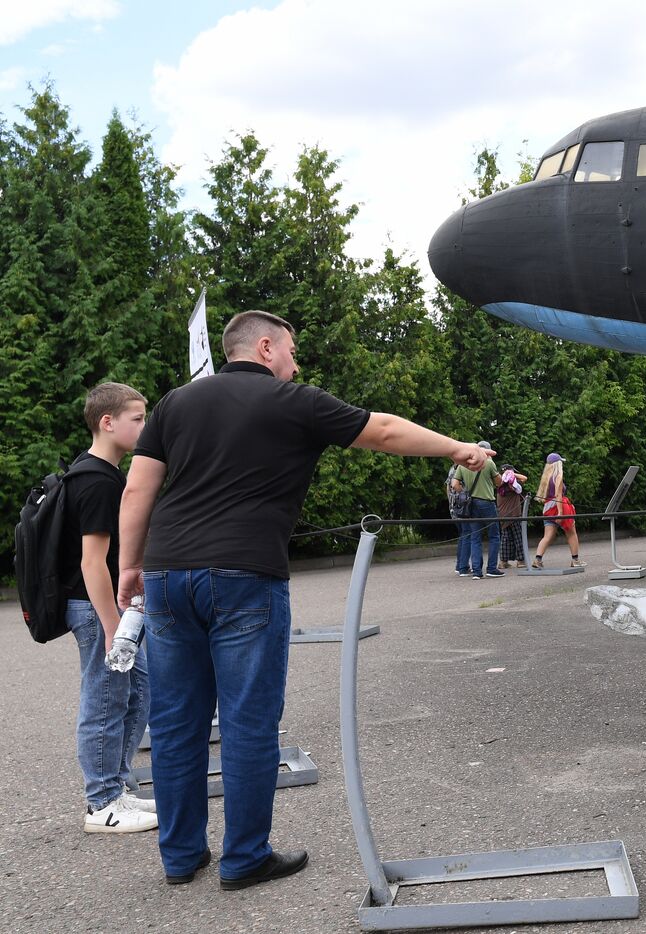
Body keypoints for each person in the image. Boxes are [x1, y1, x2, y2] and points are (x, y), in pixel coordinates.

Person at [117, 310, 492, 890]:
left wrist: (131, 566)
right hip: (244, 574)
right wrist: (456, 449)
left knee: (175, 723)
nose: (297, 363)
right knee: (246, 720)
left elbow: (139, 486)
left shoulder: (175, 404)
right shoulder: (294, 402)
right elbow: (386, 431)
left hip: (167, 575)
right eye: (291, 350)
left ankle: (181, 857)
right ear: (265, 348)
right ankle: (244, 860)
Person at [60, 382, 159, 834]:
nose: (145, 425)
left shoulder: (103, 473)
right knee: (104, 700)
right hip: (95, 609)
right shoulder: (97, 480)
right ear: (108, 422)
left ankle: (116, 787)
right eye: (137, 419)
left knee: (138, 693)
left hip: (104, 610)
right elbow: (91, 562)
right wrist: (112, 626)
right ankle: (101, 802)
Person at [451, 441, 502, 579]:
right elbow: (499, 482)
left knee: (475, 537)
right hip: (487, 502)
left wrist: (465, 493)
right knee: (494, 536)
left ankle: (477, 571)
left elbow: (454, 484)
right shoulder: (489, 463)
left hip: (471, 504)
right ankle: (491, 568)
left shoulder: (463, 465)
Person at [531, 452, 585, 569]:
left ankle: (537, 559)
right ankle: (575, 560)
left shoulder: (546, 478)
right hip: (559, 507)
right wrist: (560, 513)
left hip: (548, 507)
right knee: (571, 533)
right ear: (557, 464)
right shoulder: (558, 477)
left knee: (548, 536)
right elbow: (558, 495)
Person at [495, 464, 528, 568]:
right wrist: (512, 474)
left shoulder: (499, 484)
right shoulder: (512, 485)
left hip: (503, 515)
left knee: (505, 538)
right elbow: (524, 478)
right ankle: (521, 561)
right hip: (514, 515)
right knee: (518, 537)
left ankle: (503, 562)